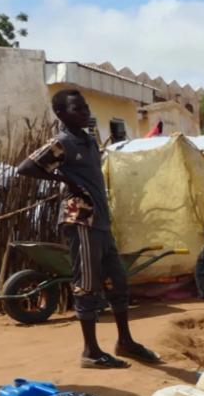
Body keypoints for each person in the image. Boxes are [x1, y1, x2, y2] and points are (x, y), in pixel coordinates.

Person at [17, 89, 158, 369]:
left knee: (119, 282)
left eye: (84, 107)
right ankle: (90, 352)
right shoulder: (62, 142)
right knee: (87, 284)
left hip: (101, 222)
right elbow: (26, 167)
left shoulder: (89, 141)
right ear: (60, 114)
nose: (84, 112)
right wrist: (64, 180)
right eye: (76, 109)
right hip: (81, 220)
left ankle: (125, 342)